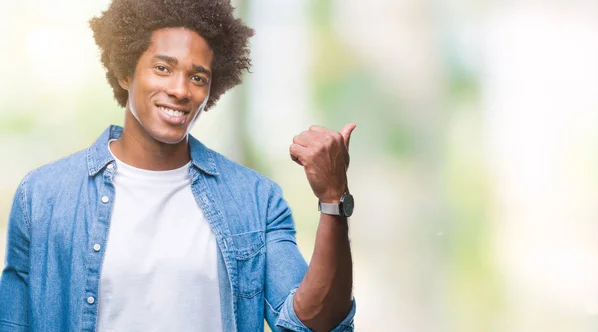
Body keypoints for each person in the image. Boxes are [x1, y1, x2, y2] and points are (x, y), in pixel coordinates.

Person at [0, 0, 356, 331]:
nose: (180, 90)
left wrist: (333, 200)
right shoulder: (44, 196)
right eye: (162, 68)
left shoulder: (255, 199)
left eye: (197, 77)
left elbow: (314, 322)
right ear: (126, 73)